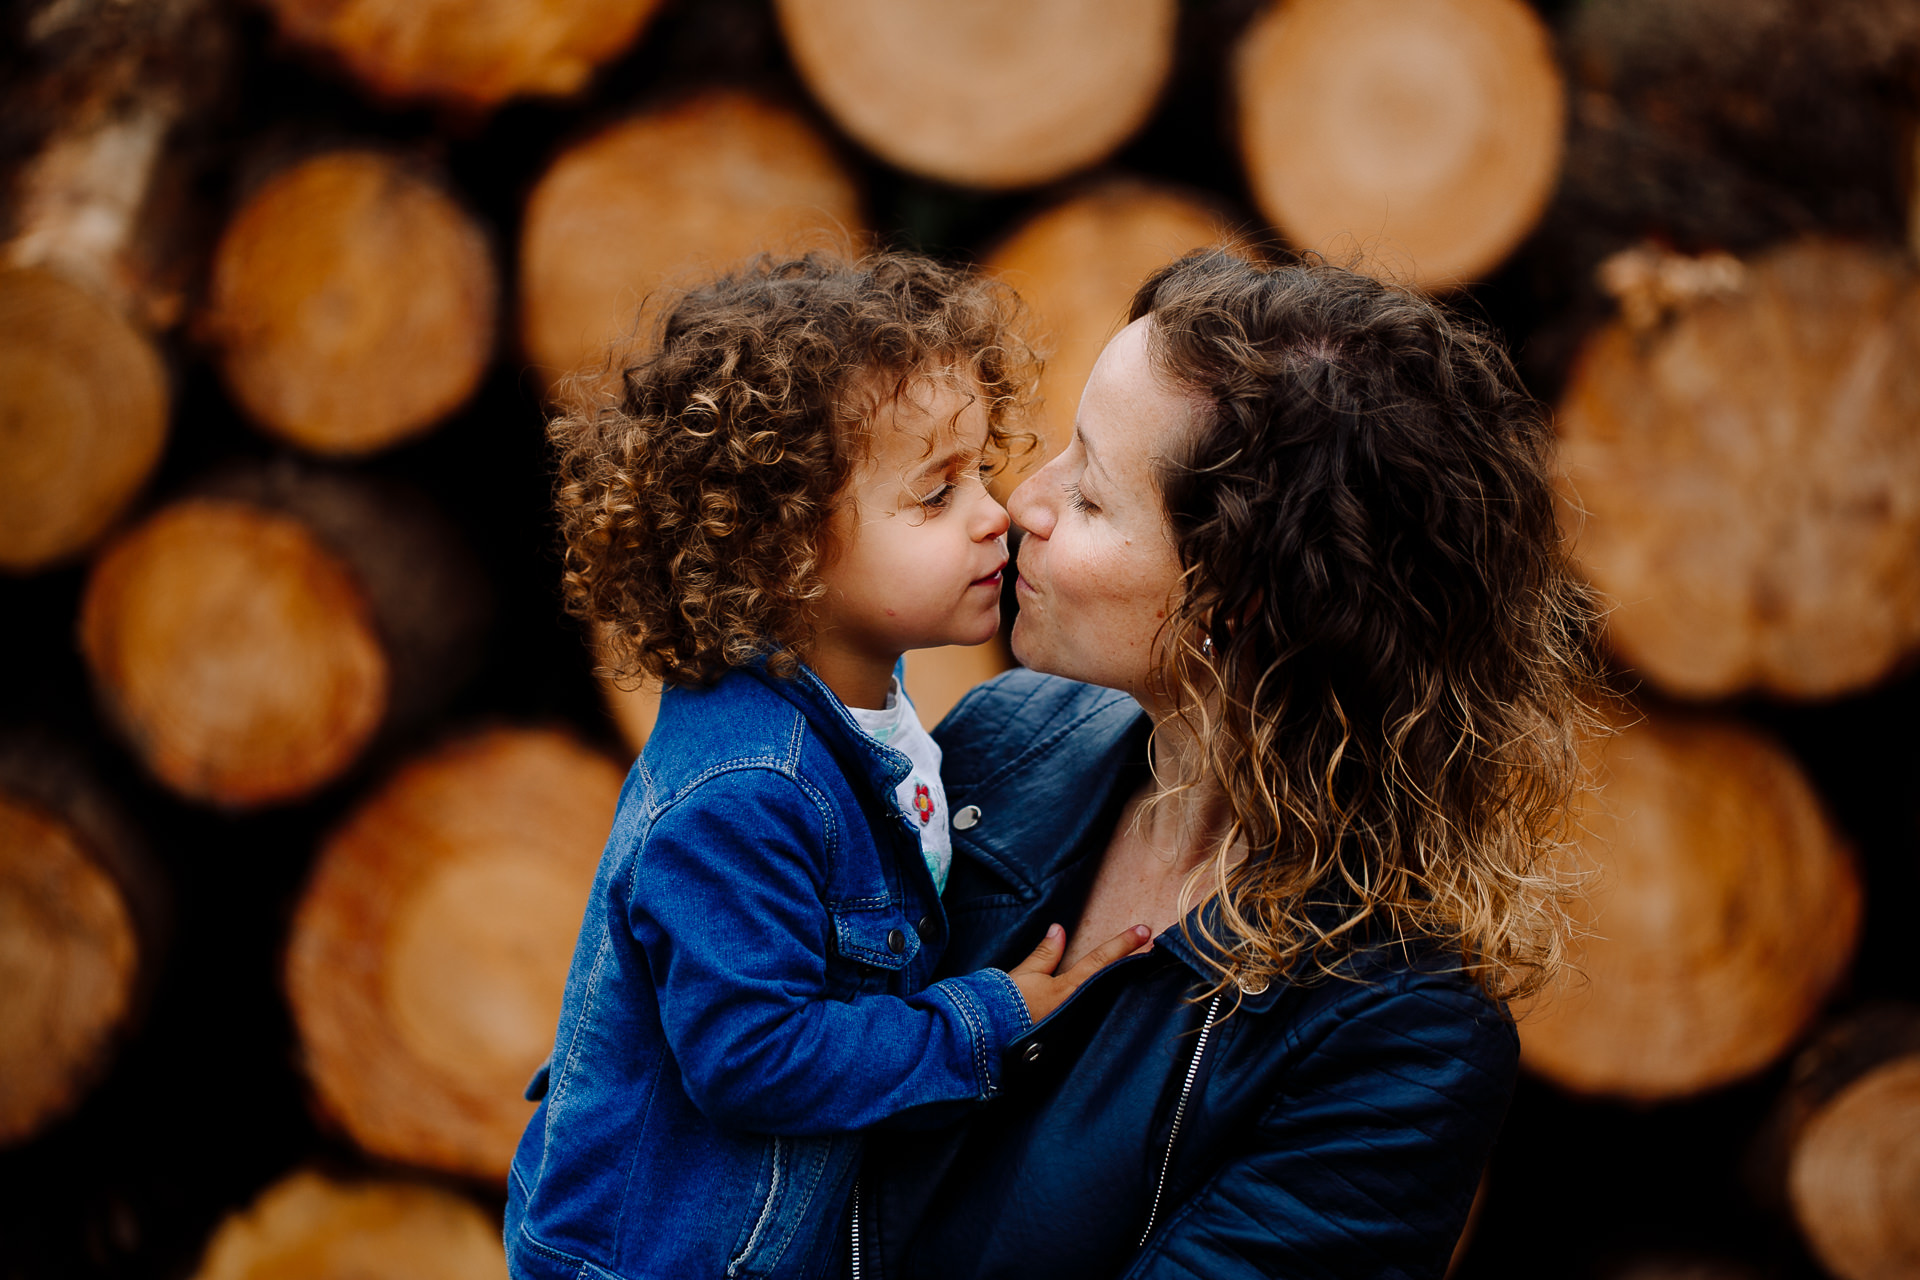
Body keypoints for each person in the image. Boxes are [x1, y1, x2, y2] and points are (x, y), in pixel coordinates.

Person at [859, 248, 1599, 1279]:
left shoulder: (1395, 1038)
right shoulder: (1003, 738)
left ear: (1237, 600)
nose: (1022, 500)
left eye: (1091, 497)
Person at [504, 252, 1150, 1280]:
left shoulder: (866, 723)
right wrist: (989, 1017)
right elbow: (753, 1058)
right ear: (786, 551)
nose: (997, 512)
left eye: (980, 469)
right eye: (937, 494)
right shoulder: (747, 791)